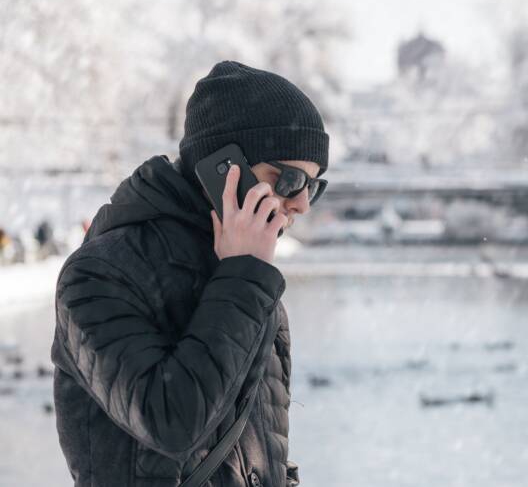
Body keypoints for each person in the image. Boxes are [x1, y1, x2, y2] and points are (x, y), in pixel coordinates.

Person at [50, 61, 329, 487]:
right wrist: (242, 276)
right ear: (225, 168)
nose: (302, 204)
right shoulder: (100, 274)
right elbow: (172, 425)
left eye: (312, 186)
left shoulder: (251, 286)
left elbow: (263, 453)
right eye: (289, 179)